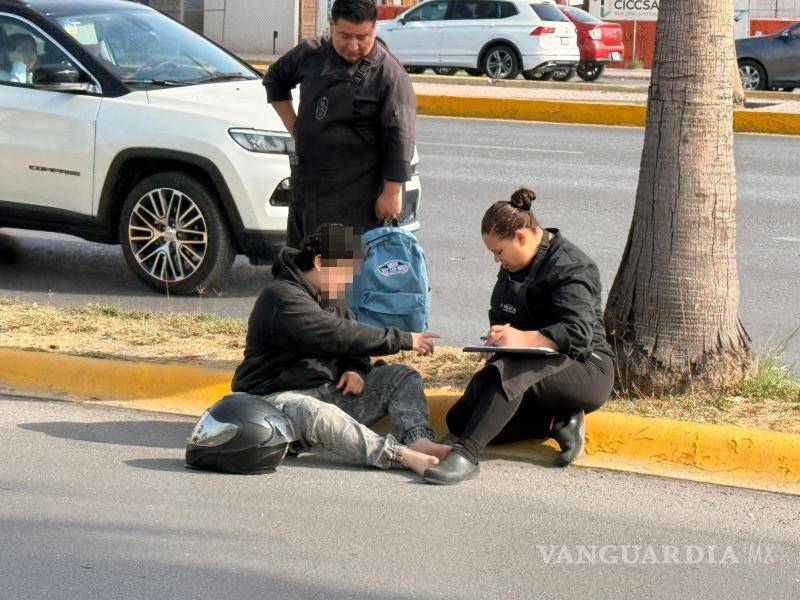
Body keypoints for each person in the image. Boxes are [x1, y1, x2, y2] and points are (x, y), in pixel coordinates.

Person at [423, 188, 615, 485]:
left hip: (587, 366)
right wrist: (498, 336)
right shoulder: (516, 264)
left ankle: (466, 455)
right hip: (534, 366)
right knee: (459, 419)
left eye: (498, 252)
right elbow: (503, 312)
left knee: (507, 373)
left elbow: (579, 333)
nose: (496, 260)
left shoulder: (571, 266)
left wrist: (522, 340)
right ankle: (558, 422)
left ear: (521, 238)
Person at [231, 223, 451, 477]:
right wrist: (401, 338)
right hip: (275, 401)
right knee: (319, 414)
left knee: (402, 376)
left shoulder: (330, 297)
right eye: (345, 273)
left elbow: (351, 342)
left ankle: (418, 440)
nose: (348, 282)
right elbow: (332, 333)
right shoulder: (281, 297)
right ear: (320, 262)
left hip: (326, 392)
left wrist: (353, 368)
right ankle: (401, 456)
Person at [263, 0, 416, 248]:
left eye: (362, 37)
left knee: (336, 278)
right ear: (331, 25)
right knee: (301, 268)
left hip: (354, 196)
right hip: (308, 188)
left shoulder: (390, 75)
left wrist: (392, 192)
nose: (353, 46)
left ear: (374, 29)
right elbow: (275, 80)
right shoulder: (310, 53)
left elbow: (400, 137)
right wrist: (294, 126)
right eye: (345, 36)